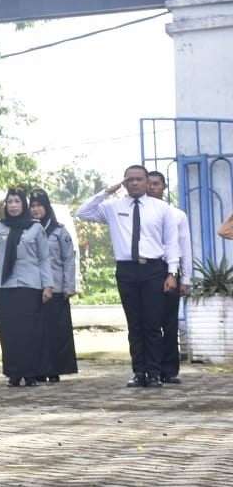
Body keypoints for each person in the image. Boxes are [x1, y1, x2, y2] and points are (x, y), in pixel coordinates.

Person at [75, 165, 179, 389]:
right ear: (124, 182)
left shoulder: (161, 208)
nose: (134, 183)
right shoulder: (113, 207)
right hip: (126, 270)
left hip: (153, 269)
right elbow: (82, 212)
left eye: (139, 179)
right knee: (135, 324)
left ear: (146, 181)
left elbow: (171, 242)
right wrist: (108, 191)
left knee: (152, 323)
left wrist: (172, 273)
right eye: (129, 180)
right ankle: (138, 372)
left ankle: (153, 373)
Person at [0, 189, 54, 387]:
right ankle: (14, 373)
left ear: (24, 205)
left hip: (29, 285)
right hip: (3, 286)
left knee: (29, 331)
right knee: (9, 332)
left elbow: (44, 258)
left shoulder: (35, 228)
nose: (13, 205)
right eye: (10, 202)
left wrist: (47, 285)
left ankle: (31, 374)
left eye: (17, 201)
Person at [147, 171, 191, 384]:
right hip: (148, 269)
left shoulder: (177, 215)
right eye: (149, 184)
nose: (152, 187)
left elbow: (185, 247)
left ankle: (170, 369)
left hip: (170, 268)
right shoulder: (140, 214)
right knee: (149, 322)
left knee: (169, 322)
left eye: (156, 184)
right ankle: (149, 368)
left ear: (164, 187)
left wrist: (185, 279)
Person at [30, 189, 78, 382]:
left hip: (57, 287)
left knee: (56, 331)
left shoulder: (59, 231)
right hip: (33, 287)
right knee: (36, 333)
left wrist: (69, 285)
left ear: (46, 207)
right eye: (32, 206)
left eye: (39, 205)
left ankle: (55, 369)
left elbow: (68, 259)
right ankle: (38, 369)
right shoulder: (26, 230)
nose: (35, 210)